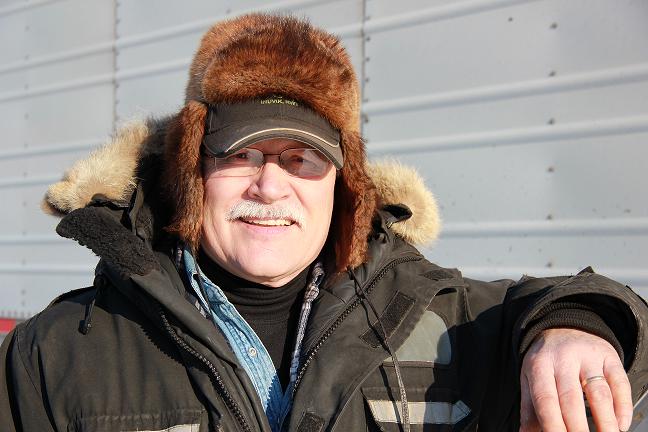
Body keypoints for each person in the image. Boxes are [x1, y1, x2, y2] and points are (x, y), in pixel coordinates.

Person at [1, 13, 646, 432]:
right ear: (192, 170)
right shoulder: (56, 352)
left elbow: (583, 309)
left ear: (345, 187)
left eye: (303, 159)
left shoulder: (445, 325)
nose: (270, 186)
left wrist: (574, 329)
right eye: (242, 155)